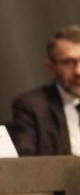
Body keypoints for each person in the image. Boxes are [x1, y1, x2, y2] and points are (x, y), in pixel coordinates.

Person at [10, 25, 80, 156]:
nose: (78, 72)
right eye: (69, 63)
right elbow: (26, 161)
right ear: (51, 67)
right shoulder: (31, 107)